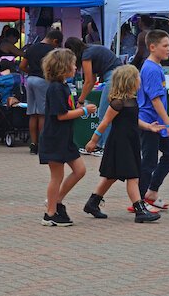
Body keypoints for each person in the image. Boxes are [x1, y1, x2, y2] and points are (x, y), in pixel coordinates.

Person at [82, 64, 164, 222]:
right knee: (133, 176)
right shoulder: (117, 103)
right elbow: (104, 122)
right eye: (137, 77)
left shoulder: (132, 100)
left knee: (110, 176)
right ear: (130, 81)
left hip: (130, 141)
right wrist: (93, 141)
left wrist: (148, 126)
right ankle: (139, 210)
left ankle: (92, 203)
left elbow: (133, 120)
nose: (140, 79)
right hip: (120, 143)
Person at [39, 48, 96, 226]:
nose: (75, 67)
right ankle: (50, 214)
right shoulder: (56, 89)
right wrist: (83, 111)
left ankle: (56, 201)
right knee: (57, 176)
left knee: (80, 170)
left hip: (65, 137)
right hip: (54, 137)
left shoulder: (63, 86)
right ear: (63, 67)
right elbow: (61, 115)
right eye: (72, 64)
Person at [137, 30, 169, 208]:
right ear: (152, 47)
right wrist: (168, 123)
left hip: (156, 123)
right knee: (149, 161)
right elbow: (155, 100)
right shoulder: (151, 69)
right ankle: (139, 201)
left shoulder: (155, 66)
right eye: (165, 45)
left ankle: (151, 192)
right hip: (150, 123)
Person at [20, 29, 63, 154]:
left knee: (33, 114)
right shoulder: (51, 51)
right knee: (43, 113)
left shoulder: (32, 48)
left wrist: (31, 72)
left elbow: (22, 66)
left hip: (30, 80)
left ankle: (33, 145)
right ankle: (43, 143)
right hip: (42, 81)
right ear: (55, 41)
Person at [77, 43, 123, 156]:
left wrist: (81, 100)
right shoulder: (92, 49)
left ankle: (105, 147)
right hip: (118, 76)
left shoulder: (86, 54)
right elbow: (91, 81)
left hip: (113, 78)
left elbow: (88, 81)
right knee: (106, 114)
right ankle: (99, 145)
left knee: (104, 114)